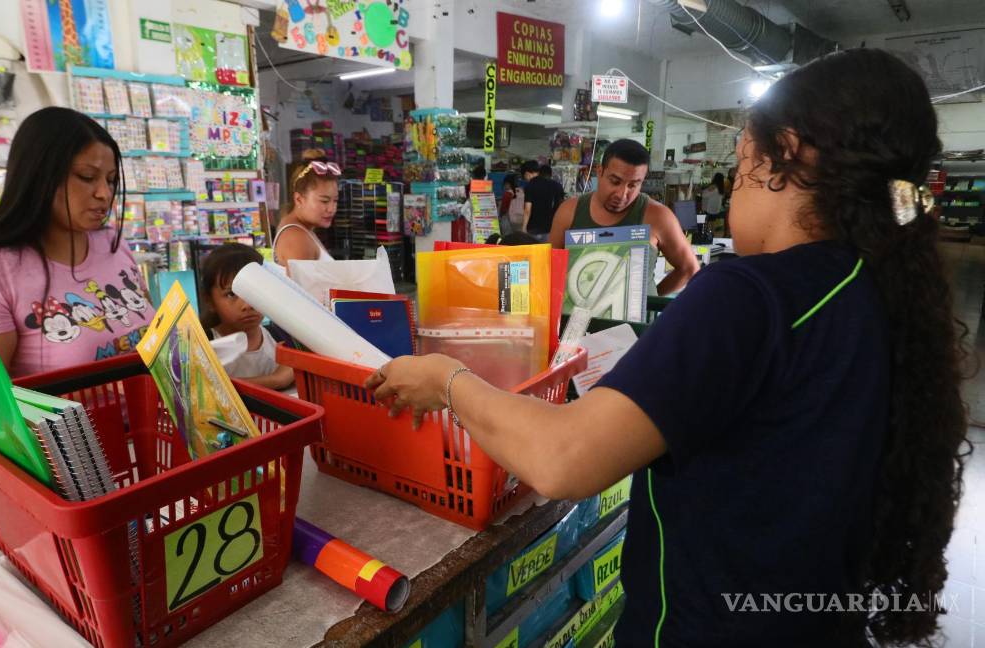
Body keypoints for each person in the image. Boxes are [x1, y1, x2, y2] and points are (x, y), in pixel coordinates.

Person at [365, 49, 968, 647]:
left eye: (741, 162)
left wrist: (447, 379)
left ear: (785, 155)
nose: (735, 188)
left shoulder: (748, 295)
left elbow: (564, 457)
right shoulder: (873, 286)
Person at [0, 107, 151, 377]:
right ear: (39, 175)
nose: (104, 193)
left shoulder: (112, 243)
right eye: (87, 177)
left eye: (110, 180)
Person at [549, 139, 699, 295]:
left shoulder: (659, 217)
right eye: (615, 182)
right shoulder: (569, 211)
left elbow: (689, 268)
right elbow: (549, 269)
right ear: (599, 172)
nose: (622, 194)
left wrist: (650, 300)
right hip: (580, 308)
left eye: (633, 185)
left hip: (637, 312)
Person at [198, 243, 294, 390]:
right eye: (231, 294)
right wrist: (276, 380)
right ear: (210, 301)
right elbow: (208, 390)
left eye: (255, 290)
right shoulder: (204, 347)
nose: (247, 305)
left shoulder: (280, 338)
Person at [273, 149, 340, 267]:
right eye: (324, 201)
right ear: (299, 199)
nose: (331, 209)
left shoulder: (302, 230)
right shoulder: (296, 238)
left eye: (335, 200)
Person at [521, 161, 565, 241]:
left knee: (535, 248)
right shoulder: (557, 186)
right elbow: (561, 206)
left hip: (533, 228)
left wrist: (523, 228)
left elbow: (527, 209)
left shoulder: (530, 186)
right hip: (552, 228)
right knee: (549, 249)